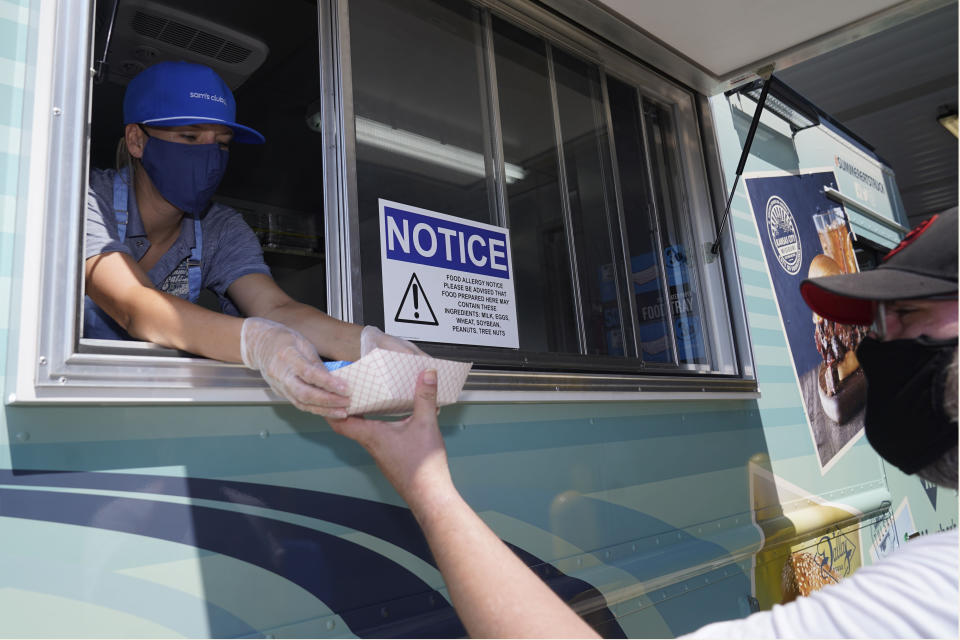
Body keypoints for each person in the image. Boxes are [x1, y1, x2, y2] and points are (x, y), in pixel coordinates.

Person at [330, 208, 958, 638]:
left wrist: (425, 482)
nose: (879, 345)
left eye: (906, 313)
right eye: (881, 322)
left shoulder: (938, 588)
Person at [85, 61, 422, 417]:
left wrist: (372, 345)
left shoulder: (220, 228)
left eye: (222, 145)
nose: (209, 156)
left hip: (157, 409)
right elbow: (135, 305)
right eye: (190, 137)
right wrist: (257, 343)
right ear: (137, 140)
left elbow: (276, 308)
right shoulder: (88, 197)